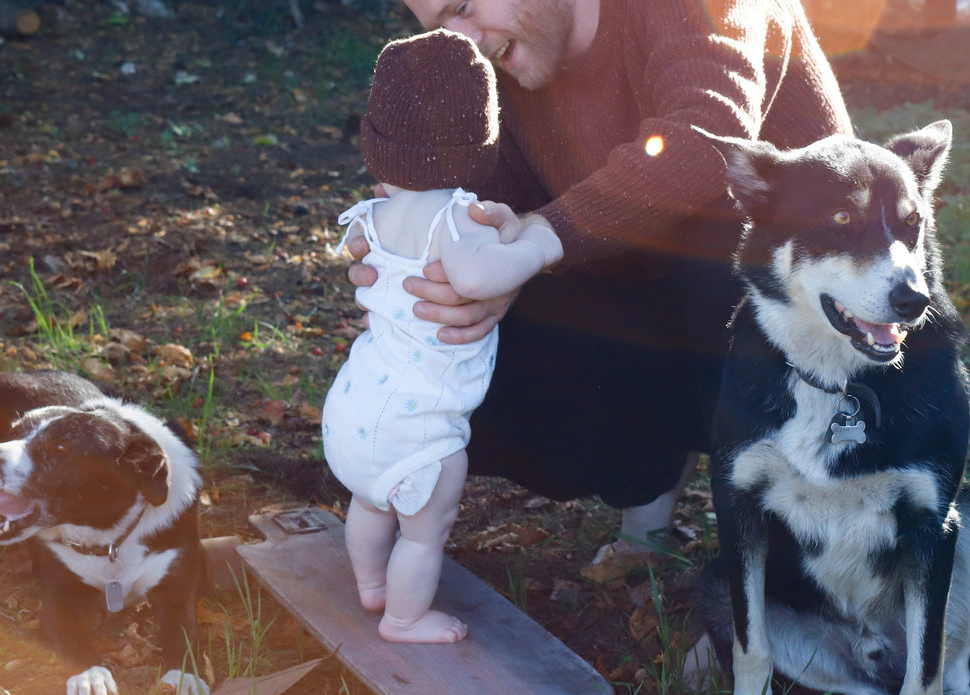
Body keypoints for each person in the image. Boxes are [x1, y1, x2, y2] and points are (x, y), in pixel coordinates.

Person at [346, 0, 854, 552]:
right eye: (441, 26)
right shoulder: (498, 66)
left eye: (464, 7)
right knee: (477, 360)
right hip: (639, 280)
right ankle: (650, 476)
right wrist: (430, 252)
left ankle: (804, 561)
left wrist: (539, 237)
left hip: (806, 278)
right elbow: (502, 202)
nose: (464, 39)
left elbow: (707, 134)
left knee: (725, 248)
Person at [322, 29, 562, 643]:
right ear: (477, 144)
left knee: (370, 503)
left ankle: (371, 584)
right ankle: (404, 618)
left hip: (355, 407)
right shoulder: (454, 216)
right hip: (420, 428)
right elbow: (481, 274)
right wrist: (535, 244)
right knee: (425, 530)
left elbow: (356, 254)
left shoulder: (371, 215)